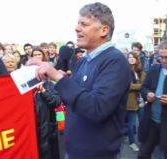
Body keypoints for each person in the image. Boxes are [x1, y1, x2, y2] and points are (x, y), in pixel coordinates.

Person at [27, 2, 131, 159]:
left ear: (104, 30)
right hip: (75, 150)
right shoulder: (83, 60)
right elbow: (77, 96)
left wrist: (58, 77)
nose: (77, 28)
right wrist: (59, 78)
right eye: (78, 23)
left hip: (96, 154)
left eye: (84, 24)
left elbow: (97, 108)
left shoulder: (115, 61)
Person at [126, 52, 146, 152]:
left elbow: (146, 83)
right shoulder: (125, 71)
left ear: (136, 59)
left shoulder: (141, 72)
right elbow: (127, 86)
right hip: (130, 101)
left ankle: (142, 140)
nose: (131, 59)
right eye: (129, 57)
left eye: (133, 57)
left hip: (141, 101)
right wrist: (140, 86)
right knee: (131, 124)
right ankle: (132, 142)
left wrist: (142, 86)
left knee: (142, 123)